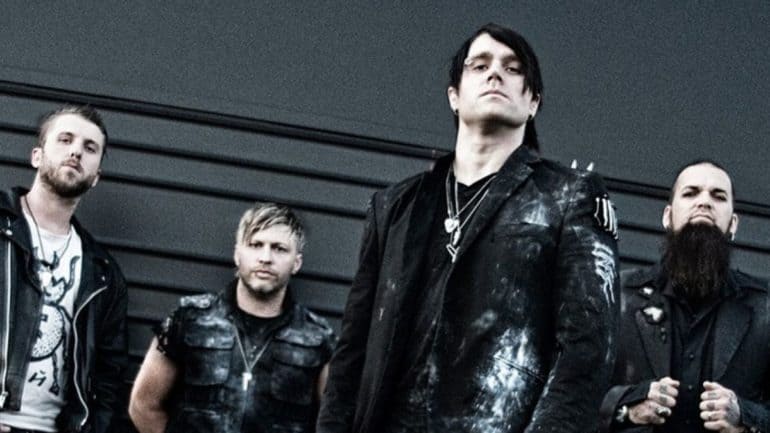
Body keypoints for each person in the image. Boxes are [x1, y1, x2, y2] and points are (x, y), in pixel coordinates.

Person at [317, 22, 620, 433]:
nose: (495, 73)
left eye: (513, 68)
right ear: (454, 97)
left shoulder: (570, 195)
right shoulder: (394, 206)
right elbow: (352, 351)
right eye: (479, 65)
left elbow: (586, 352)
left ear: (533, 102)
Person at [129, 202, 335, 433]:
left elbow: (332, 424)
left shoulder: (317, 339)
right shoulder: (190, 319)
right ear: (237, 254)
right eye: (256, 245)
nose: (265, 257)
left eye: (279, 248)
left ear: (296, 263)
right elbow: (143, 405)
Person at [600, 160, 770, 433]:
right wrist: (626, 408)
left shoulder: (764, 307)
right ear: (667, 217)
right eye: (690, 193)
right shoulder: (616, 295)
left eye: (718, 196)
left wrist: (745, 417)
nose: (704, 202)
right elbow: (567, 393)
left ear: (734, 224)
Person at [0, 106, 128, 433]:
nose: (76, 152)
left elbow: (108, 378)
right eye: (65, 139)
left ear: (96, 176)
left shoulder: (102, 273)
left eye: (90, 147)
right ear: (37, 156)